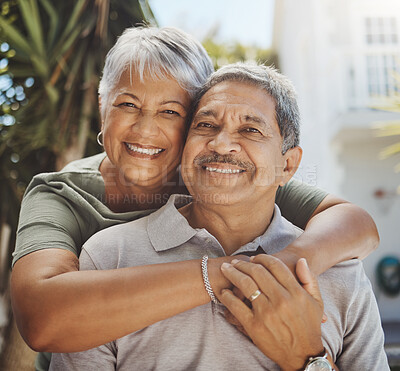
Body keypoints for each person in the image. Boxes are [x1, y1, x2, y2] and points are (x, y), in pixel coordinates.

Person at [11, 27, 379, 370]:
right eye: (127, 104)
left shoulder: (227, 177)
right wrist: (238, 275)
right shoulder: (74, 212)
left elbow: (354, 222)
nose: (145, 128)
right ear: (102, 105)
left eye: (170, 111)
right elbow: (41, 316)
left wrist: (282, 274)